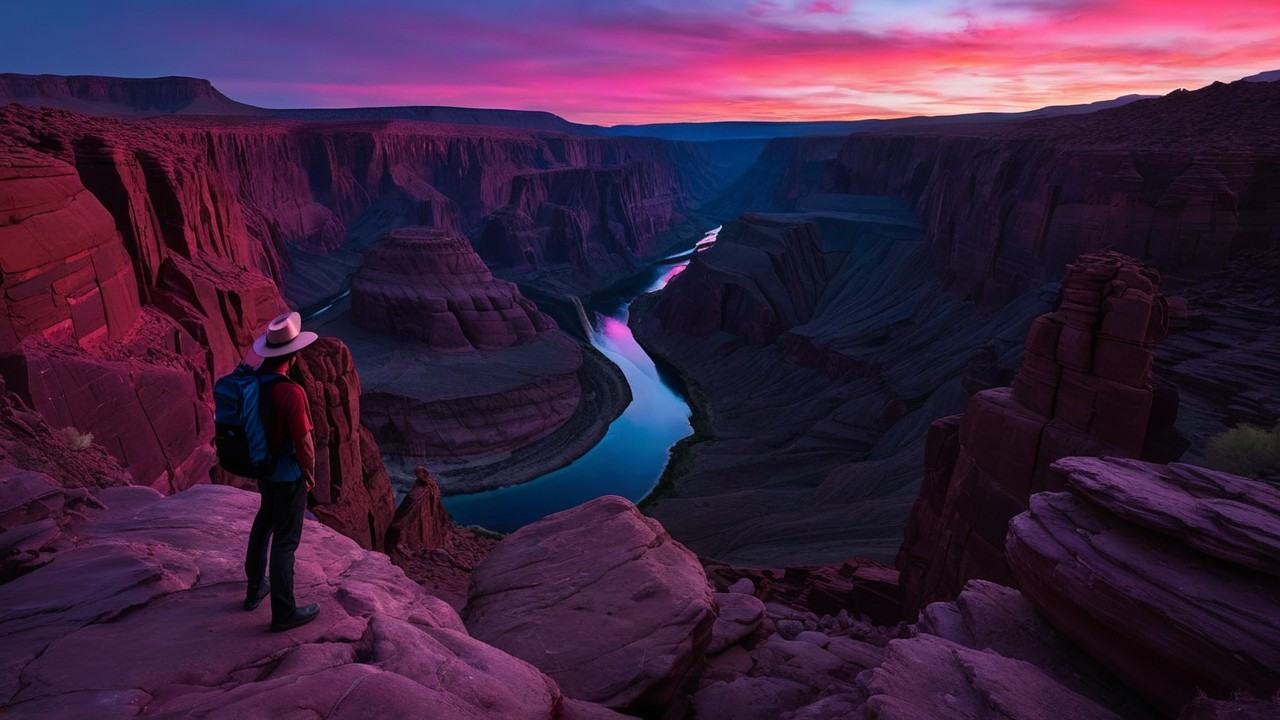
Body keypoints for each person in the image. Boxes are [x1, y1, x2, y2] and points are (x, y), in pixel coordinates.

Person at [243, 311, 322, 632]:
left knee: (264, 525)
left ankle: (254, 589)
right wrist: (310, 472)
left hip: (263, 468)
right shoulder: (290, 391)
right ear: (292, 354)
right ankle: (284, 612)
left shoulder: (252, 382)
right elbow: (303, 441)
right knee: (286, 541)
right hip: (287, 474)